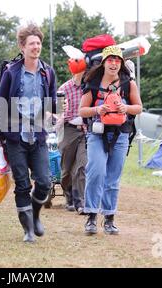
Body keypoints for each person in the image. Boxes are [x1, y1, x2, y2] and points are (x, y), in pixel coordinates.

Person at [0, 23, 58, 243]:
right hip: (14, 136)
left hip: (38, 135)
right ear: (22, 47)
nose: (36, 47)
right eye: (31, 44)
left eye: (38, 43)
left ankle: (36, 215)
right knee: (22, 183)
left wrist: (57, 114)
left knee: (45, 181)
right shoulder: (12, 72)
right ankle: (28, 229)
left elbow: (54, 101)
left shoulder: (48, 72)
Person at [79, 45, 142, 235]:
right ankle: (91, 216)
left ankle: (109, 218)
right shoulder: (93, 83)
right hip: (97, 134)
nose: (114, 63)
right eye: (110, 60)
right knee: (96, 171)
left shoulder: (128, 84)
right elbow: (82, 111)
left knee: (113, 178)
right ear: (104, 63)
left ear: (121, 63)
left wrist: (126, 108)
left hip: (121, 134)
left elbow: (138, 107)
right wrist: (97, 110)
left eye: (117, 60)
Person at [57, 58, 87, 215]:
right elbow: (54, 112)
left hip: (86, 131)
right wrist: (58, 116)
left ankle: (80, 201)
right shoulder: (64, 88)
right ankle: (68, 194)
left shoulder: (89, 87)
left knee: (82, 166)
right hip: (68, 130)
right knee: (67, 170)